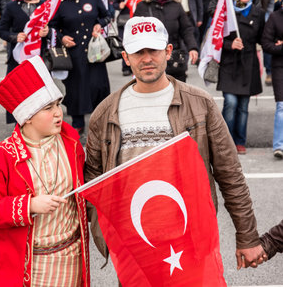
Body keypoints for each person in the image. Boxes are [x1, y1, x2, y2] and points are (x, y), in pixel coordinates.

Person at [84, 16, 266, 274]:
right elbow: (93, 179)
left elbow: (230, 174)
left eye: (153, 50)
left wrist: (247, 236)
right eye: (138, 52)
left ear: (168, 51)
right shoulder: (105, 113)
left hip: (189, 238)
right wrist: (105, 231)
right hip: (133, 245)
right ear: (126, 57)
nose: (147, 58)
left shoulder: (200, 104)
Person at [0, 55, 90, 286]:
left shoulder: (71, 143)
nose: (58, 112)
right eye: (48, 108)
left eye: (58, 104)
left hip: (72, 257)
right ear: (27, 117)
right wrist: (29, 205)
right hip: (29, 265)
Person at [49, 0, 111, 134]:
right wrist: (61, 38)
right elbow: (51, 26)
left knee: (98, 86)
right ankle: (78, 122)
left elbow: (107, 16)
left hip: (94, 52)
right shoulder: (59, 1)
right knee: (76, 89)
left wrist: (99, 24)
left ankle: (101, 120)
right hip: (73, 54)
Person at [216, 0, 265, 155]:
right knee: (231, 103)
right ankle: (226, 140)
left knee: (243, 106)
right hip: (230, 64)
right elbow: (215, 39)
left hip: (248, 64)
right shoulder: (226, 11)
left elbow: (262, 37)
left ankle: (240, 141)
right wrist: (231, 44)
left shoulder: (258, 12)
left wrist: (275, 41)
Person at [0, 0, 49, 124]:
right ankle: (18, 123)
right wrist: (14, 37)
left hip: (38, 57)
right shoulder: (11, 7)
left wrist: (47, 32)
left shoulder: (44, 5)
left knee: (37, 93)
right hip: (18, 58)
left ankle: (39, 123)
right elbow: (1, 30)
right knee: (17, 93)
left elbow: (55, 26)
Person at [134, 0, 199, 82]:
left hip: (174, 58)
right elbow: (135, 33)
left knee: (177, 91)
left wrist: (192, 48)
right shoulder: (142, 6)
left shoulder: (176, 5)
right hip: (151, 58)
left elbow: (186, 29)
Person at [262, 0, 283, 159]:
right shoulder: (274, 18)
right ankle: (279, 145)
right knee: (282, 107)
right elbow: (266, 44)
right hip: (280, 68)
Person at [113, 0, 133, 76]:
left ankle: (134, 66)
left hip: (135, 18)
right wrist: (119, 5)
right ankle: (125, 66)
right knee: (125, 43)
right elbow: (114, 4)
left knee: (134, 43)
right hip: (123, 20)